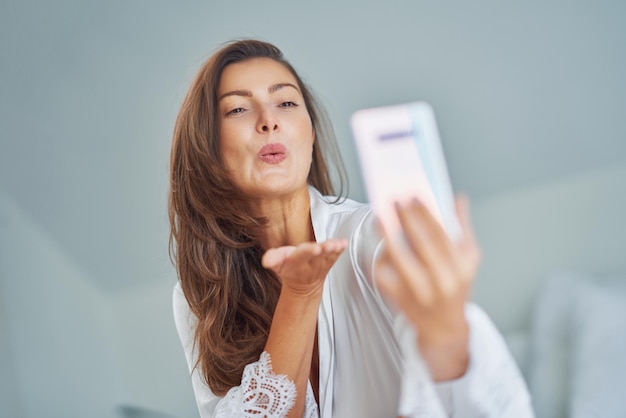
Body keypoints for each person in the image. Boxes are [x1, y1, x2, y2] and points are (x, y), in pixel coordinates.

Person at [170, 39, 533, 418]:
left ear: (310, 132)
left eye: (287, 103)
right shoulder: (199, 292)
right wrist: (300, 292)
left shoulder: (374, 236)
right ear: (206, 146)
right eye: (239, 108)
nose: (269, 120)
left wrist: (447, 333)